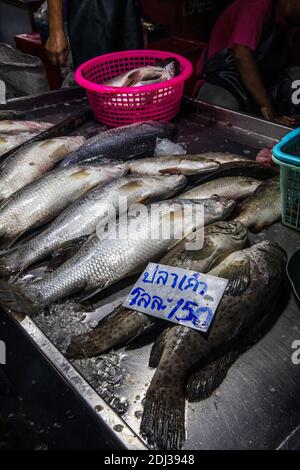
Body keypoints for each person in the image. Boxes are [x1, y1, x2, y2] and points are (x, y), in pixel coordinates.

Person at [195, 0, 300, 126]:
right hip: (221, 82)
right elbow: (241, 54)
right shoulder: (258, 4)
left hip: (262, 83)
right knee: (226, 116)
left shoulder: (287, 22)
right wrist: (268, 111)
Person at [46, 0, 144, 69]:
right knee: (97, 74)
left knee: (135, 72)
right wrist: (56, 29)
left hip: (127, 7)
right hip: (92, 10)